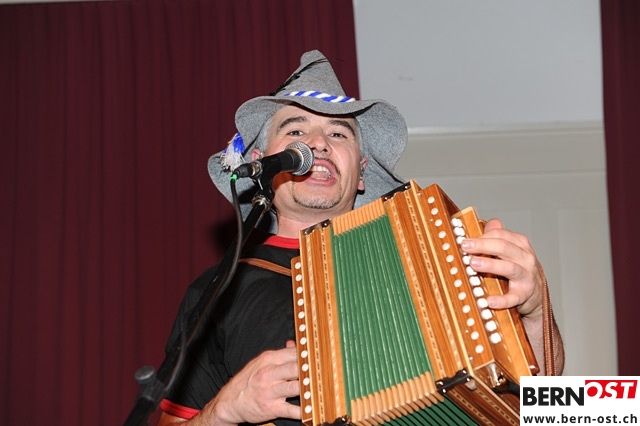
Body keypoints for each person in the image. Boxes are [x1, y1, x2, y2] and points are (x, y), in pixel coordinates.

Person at [156, 50, 565, 426]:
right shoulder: (218, 292)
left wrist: (533, 312)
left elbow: (541, 405)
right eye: (295, 130)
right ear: (261, 164)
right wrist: (225, 409)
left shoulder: (433, 257)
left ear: (362, 171)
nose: (318, 144)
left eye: (338, 134)